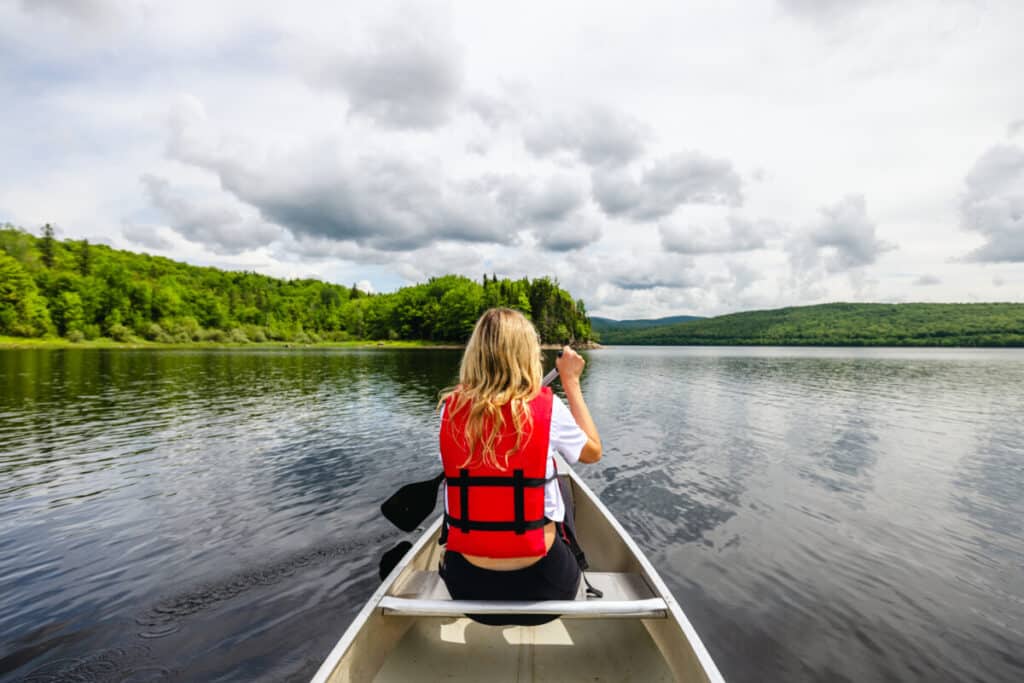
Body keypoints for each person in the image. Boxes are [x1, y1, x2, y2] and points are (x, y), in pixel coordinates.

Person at [436, 308, 602, 625]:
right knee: (560, 481)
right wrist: (570, 382)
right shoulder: (546, 407)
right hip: (546, 590)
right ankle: (576, 554)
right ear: (527, 354)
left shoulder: (449, 410)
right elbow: (593, 453)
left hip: (468, 591)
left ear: (474, 355)